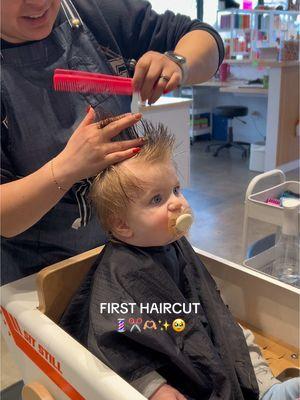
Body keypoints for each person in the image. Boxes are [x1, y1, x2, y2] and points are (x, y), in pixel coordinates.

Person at [60, 120, 299, 400]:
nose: (177, 203)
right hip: (172, 357)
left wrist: (207, 318)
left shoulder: (173, 243)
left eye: (176, 189)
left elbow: (205, 296)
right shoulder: (121, 272)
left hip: (195, 329)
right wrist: (153, 386)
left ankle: (267, 388)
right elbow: (117, 335)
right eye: (156, 199)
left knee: (235, 333)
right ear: (122, 225)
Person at [0, 0, 224, 285]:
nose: (39, 2)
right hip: (34, 280)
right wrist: (65, 169)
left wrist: (178, 63)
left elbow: (204, 37)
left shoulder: (94, 10)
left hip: (127, 251)